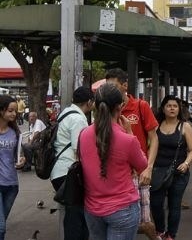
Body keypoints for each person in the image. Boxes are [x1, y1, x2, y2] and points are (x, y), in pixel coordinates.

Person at [79, 83, 148, 240]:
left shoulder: (83, 134)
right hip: (122, 208)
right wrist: (130, 132)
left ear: (95, 105)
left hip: (92, 208)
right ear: (120, 107)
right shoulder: (127, 139)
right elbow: (142, 165)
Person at [105, 68, 159, 239]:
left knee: (144, 218)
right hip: (116, 175)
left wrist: (149, 167)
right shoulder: (106, 110)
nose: (109, 91)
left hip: (139, 171)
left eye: (113, 86)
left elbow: (154, 138)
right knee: (124, 218)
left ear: (125, 85)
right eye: (107, 87)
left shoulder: (140, 106)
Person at [51, 86, 95, 240]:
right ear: (89, 102)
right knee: (75, 218)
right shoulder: (78, 118)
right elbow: (80, 149)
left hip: (59, 171)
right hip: (69, 174)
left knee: (75, 215)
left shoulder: (65, 113)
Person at [150, 95, 192, 240]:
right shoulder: (156, 125)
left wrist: (187, 163)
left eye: (175, 106)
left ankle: (170, 234)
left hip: (179, 173)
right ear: (163, 108)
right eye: (169, 106)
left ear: (179, 109)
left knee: (174, 204)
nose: (172, 108)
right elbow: (150, 146)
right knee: (155, 203)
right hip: (158, 171)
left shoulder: (185, 126)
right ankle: (160, 230)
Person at [0, 95, 26, 240]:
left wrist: (22, 160)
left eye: (15, 111)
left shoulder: (15, 133)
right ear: (1, 110)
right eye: (10, 111)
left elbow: (19, 155)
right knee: (1, 227)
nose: (14, 114)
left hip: (11, 185)